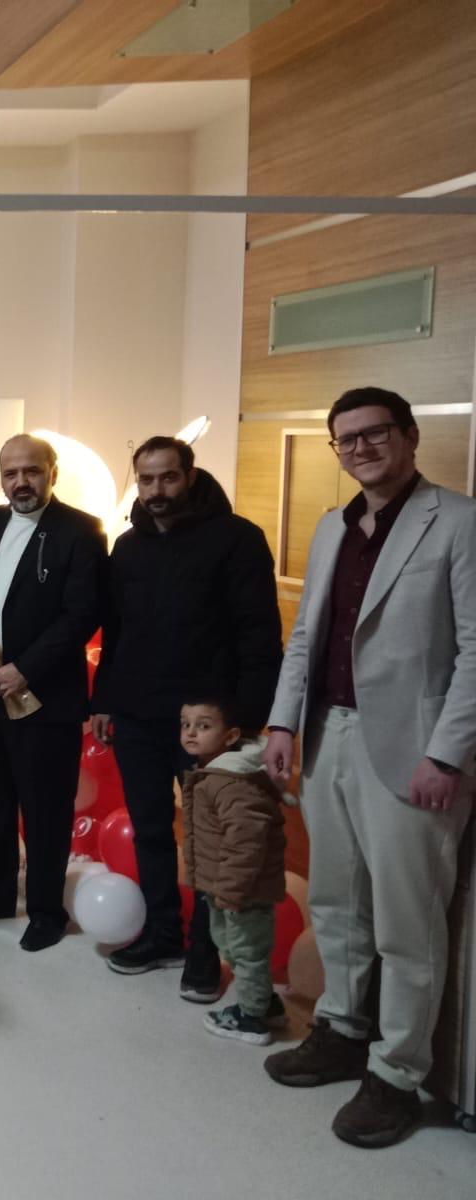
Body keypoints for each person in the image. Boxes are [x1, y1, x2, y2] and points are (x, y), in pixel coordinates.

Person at [261, 387, 475, 1149]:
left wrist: (447, 753)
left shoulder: (459, 522)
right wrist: (283, 720)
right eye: (344, 439)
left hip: (415, 750)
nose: (359, 448)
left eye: (374, 433)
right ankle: (343, 1030)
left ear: (410, 436)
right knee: (336, 902)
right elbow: (305, 636)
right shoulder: (333, 527)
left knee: (407, 922)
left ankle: (398, 1072)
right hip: (330, 734)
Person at [91, 436, 283, 999]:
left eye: (168, 477)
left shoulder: (238, 539)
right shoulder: (127, 547)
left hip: (210, 722)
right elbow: (115, 632)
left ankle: (205, 950)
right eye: (146, 480)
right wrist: (104, 699)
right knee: (150, 827)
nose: (157, 491)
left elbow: (259, 634)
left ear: (191, 477)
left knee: (209, 838)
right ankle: (161, 933)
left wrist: (249, 718)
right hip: (139, 713)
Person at [0, 434, 106, 952]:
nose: (21, 482)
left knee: (45, 809)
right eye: (11, 472)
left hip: (44, 697)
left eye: (31, 471)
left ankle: (46, 911)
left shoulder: (81, 531)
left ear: (52, 473)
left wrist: (25, 670)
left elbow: (81, 613)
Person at [179, 697, 289, 1045]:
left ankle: (252, 1018)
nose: (191, 733)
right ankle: (265, 1002)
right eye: (185, 724)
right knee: (231, 944)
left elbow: (246, 842)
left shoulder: (232, 782)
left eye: (203, 725)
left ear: (230, 736)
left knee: (246, 949)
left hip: (242, 890)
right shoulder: (212, 774)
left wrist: (231, 889)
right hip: (223, 886)